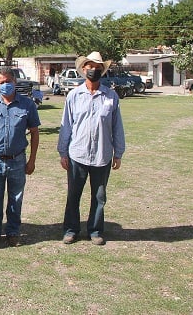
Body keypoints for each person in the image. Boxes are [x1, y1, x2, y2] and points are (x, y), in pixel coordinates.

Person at [57, 51, 125, 246]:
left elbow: (116, 126)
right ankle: (71, 230)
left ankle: (95, 231)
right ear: (83, 69)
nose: (93, 70)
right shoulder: (74, 95)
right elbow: (66, 125)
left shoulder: (111, 96)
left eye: (97, 67)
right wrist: (63, 152)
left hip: (102, 155)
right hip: (77, 154)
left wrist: (118, 153)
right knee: (73, 195)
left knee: (99, 197)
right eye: (90, 66)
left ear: (102, 71)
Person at [0, 68, 40, 247]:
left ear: (15, 82)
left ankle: (13, 232)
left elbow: (34, 132)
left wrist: (32, 160)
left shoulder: (27, 105)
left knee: (16, 197)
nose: (5, 85)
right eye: (1, 82)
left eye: (8, 81)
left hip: (17, 159)